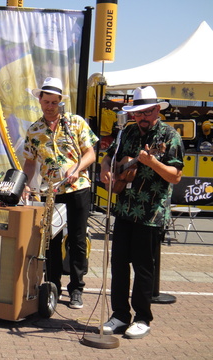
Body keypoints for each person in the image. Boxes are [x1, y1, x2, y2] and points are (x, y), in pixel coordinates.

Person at [99, 86, 184, 339]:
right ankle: (119, 315)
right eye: (138, 113)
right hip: (124, 208)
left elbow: (176, 176)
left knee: (144, 267)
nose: (143, 117)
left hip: (150, 214)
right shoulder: (127, 132)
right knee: (119, 264)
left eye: (147, 112)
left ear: (157, 110)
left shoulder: (170, 136)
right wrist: (107, 170)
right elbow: (108, 157)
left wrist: (153, 162)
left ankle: (143, 318)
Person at [23, 77, 98, 309]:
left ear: (60, 102)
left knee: (77, 238)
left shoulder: (75, 122)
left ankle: (76, 288)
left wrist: (77, 168)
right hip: (51, 191)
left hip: (77, 188)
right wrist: (25, 183)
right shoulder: (34, 130)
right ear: (40, 100)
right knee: (51, 241)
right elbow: (29, 162)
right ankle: (52, 286)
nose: (50, 107)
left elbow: (91, 153)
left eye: (54, 102)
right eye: (46, 101)